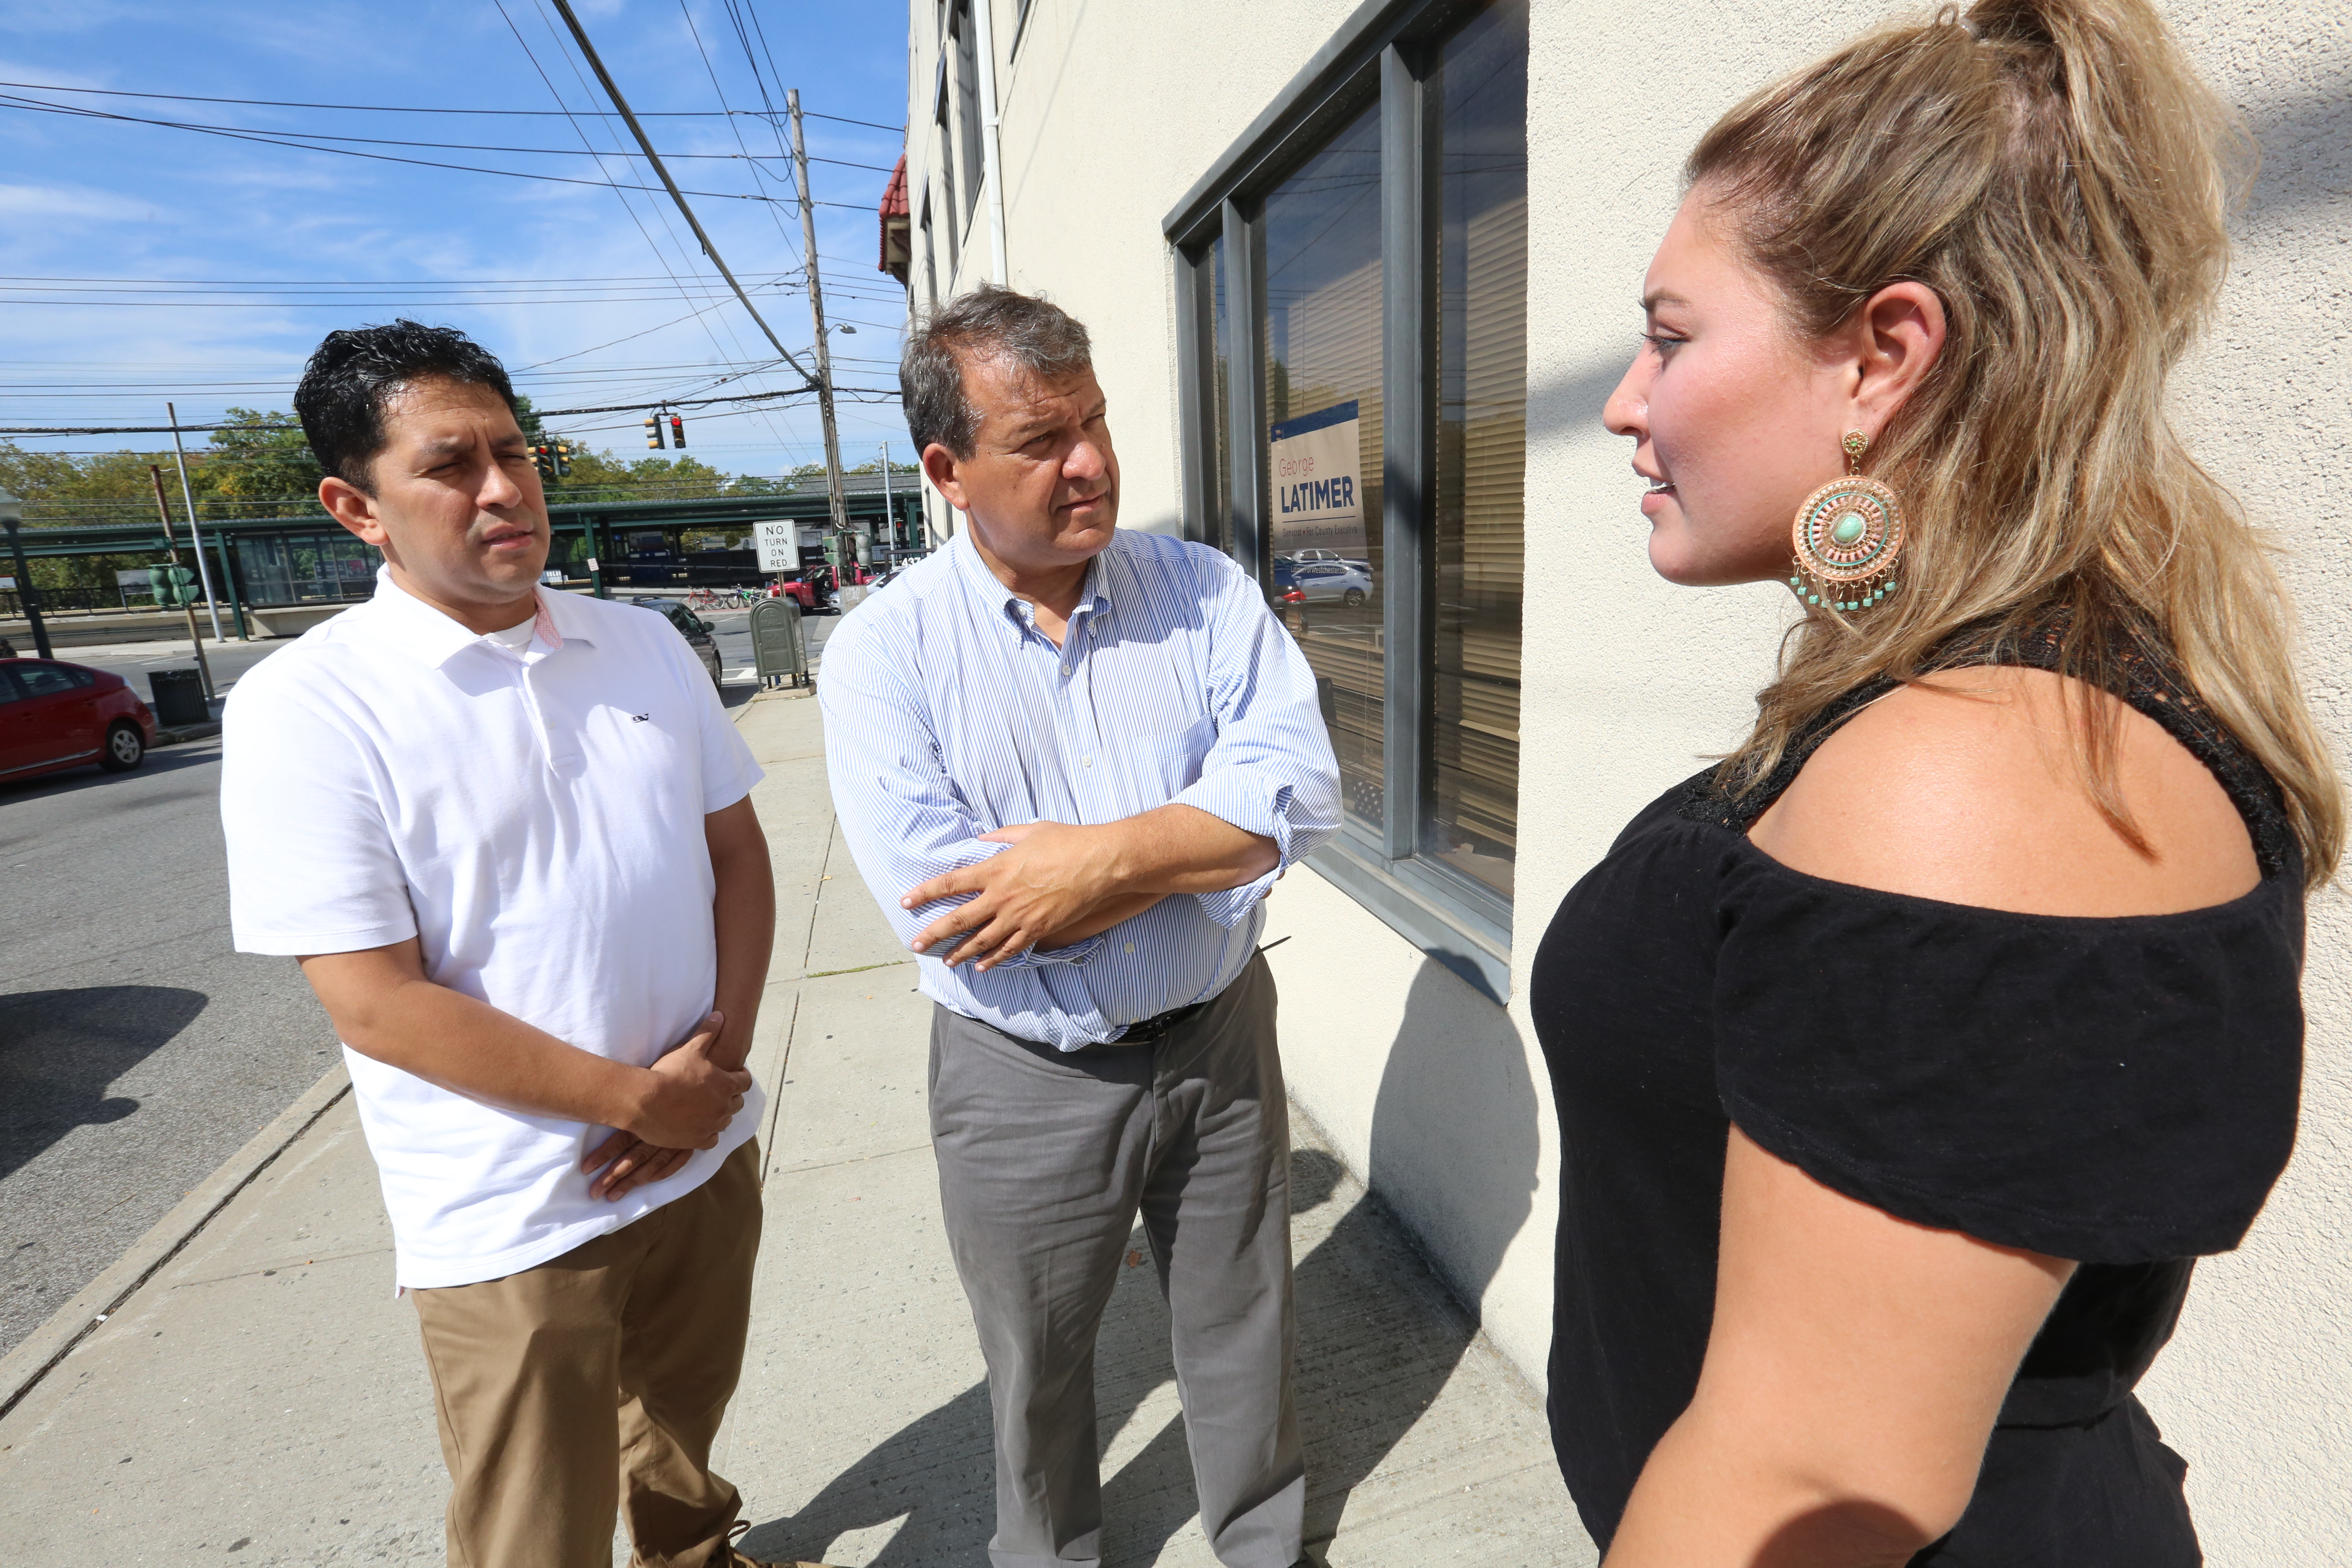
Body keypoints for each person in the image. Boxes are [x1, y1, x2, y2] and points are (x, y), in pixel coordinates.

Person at [1530, 2, 2340, 1564]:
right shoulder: (1965, 697)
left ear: (1886, 356)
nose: (1627, 403)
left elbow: (1797, 1482)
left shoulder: (1978, 774)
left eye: (1673, 334)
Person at [220, 321, 820, 1568]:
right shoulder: (309, 707)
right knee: (532, 1528)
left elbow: (737, 858)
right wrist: (630, 1101)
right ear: (357, 506)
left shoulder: (644, 645)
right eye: (450, 464)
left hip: (700, 1150)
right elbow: (376, 1004)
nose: (503, 488)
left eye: (516, 451)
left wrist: (715, 1070)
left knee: (683, 1437)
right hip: (509, 1211)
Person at [820, 284, 1340, 1568]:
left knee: (1245, 1322)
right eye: (1043, 440)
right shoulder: (887, 652)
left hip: (1217, 1036)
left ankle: (1263, 1546)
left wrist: (1088, 864)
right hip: (1022, 1077)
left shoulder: (1203, 591)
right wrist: (1188, 846)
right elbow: (953, 912)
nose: (1093, 462)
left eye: (1096, 422)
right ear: (946, 469)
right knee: (1038, 1361)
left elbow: (1294, 794)